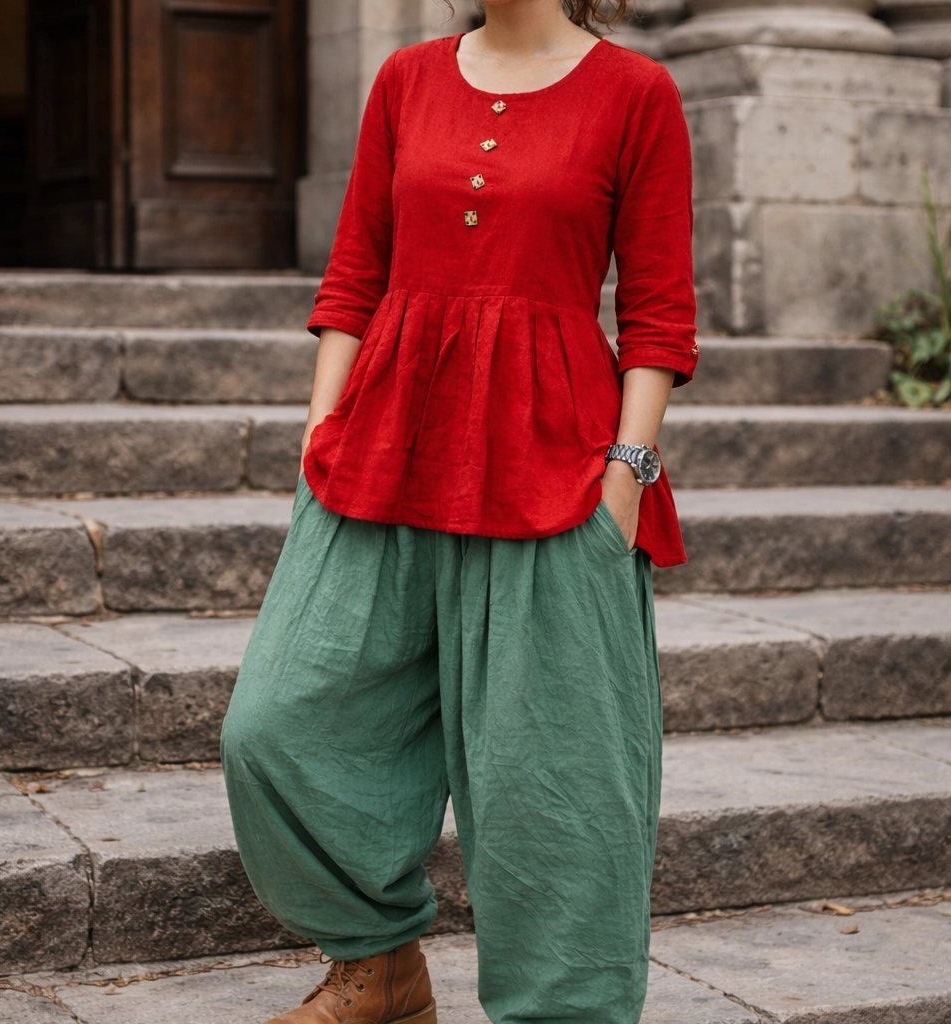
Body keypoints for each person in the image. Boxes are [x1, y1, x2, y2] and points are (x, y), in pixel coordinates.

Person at [220, 0, 698, 1020]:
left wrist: (623, 477)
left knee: (553, 782)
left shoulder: (636, 92)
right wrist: (321, 430)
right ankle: (379, 964)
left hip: (558, 467)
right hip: (383, 448)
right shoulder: (405, 79)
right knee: (274, 724)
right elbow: (356, 274)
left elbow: (656, 311)